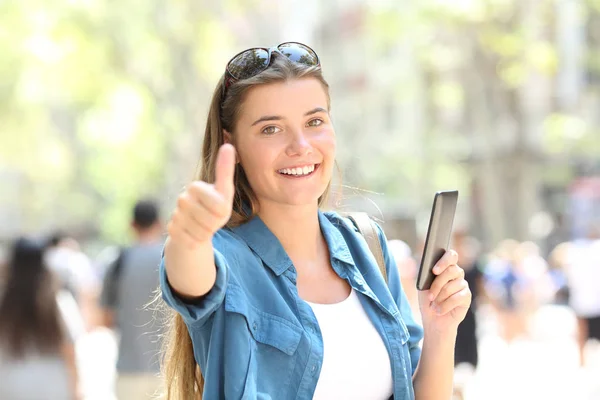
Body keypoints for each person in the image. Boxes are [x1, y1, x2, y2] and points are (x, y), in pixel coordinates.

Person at [159, 42, 472, 399]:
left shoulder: (367, 245)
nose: (301, 145)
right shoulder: (220, 255)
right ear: (233, 145)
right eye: (271, 129)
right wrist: (189, 238)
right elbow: (189, 274)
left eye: (315, 121)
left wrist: (441, 330)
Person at [100, 200, 165, 399]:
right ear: (160, 223)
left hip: (129, 367)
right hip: (169, 366)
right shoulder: (170, 258)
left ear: (132, 225)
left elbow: (106, 317)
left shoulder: (118, 262)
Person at [0, 237, 80, 400]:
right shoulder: (58, 303)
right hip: (52, 388)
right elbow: (70, 352)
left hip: (9, 387)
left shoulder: (4, 304)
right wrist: (77, 390)